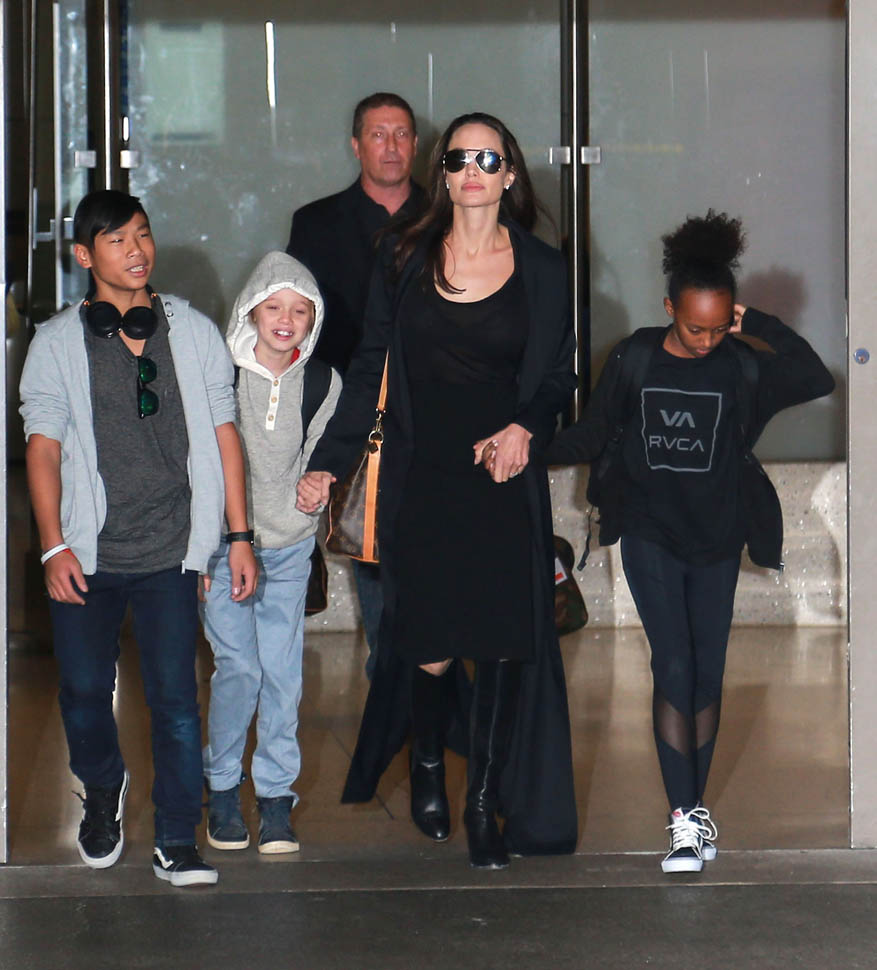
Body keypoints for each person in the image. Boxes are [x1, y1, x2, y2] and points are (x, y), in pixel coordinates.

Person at [297, 112, 579, 869]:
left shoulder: (544, 268)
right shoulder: (404, 255)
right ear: (443, 175)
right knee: (427, 640)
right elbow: (369, 366)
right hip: (421, 474)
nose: (473, 171)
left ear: (510, 173)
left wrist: (524, 427)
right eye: (458, 159)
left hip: (502, 478)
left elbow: (559, 375)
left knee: (500, 641)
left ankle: (482, 802)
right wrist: (329, 459)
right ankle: (426, 762)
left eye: (488, 158)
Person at [545, 210, 835, 873]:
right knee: (673, 665)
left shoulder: (742, 366)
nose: (705, 341)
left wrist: (754, 324)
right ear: (668, 307)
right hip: (649, 529)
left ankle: (695, 809)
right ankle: (681, 817)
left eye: (718, 326)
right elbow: (596, 431)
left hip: (718, 535)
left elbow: (814, 377)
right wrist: (532, 451)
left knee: (706, 672)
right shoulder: (636, 356)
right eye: (693, 326)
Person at [20, 189, 258, 888]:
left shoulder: (192, 332)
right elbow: (42, 449)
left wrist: (236, 535)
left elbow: (224, 435)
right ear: (83, 255)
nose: (136, 250)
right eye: (117, 239)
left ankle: (177, 839)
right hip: (87, 552)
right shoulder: (56, 343)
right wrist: (53, 545)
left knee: (176, 700)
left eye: (143, 235)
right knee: (83, 692)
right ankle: (103, 789)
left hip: (170, 550)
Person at [201, 251, 340, 855]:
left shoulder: (324, 382)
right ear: (251, 311)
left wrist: (319, 481)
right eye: (274, 307)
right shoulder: (219, 374)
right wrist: (197, 550)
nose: (286, 320)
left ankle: (277, 797)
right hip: (220, 549)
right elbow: (199, 461)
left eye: (300, 310)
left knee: (283, 675)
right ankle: (222, 786)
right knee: (240, 669)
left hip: (288, 550)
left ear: (313, 319)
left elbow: (320, 453)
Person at [287, 92, 426, 677]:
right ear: (355, 145)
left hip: (435, 412)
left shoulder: (446, 216)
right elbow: (297, 325)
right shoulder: (317, 224)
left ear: (416, 144)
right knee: (371, 551)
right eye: (377, 134)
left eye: (401, 134)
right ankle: (390, 683)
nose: (390, 146)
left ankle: (431, 689)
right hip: (355, 414)